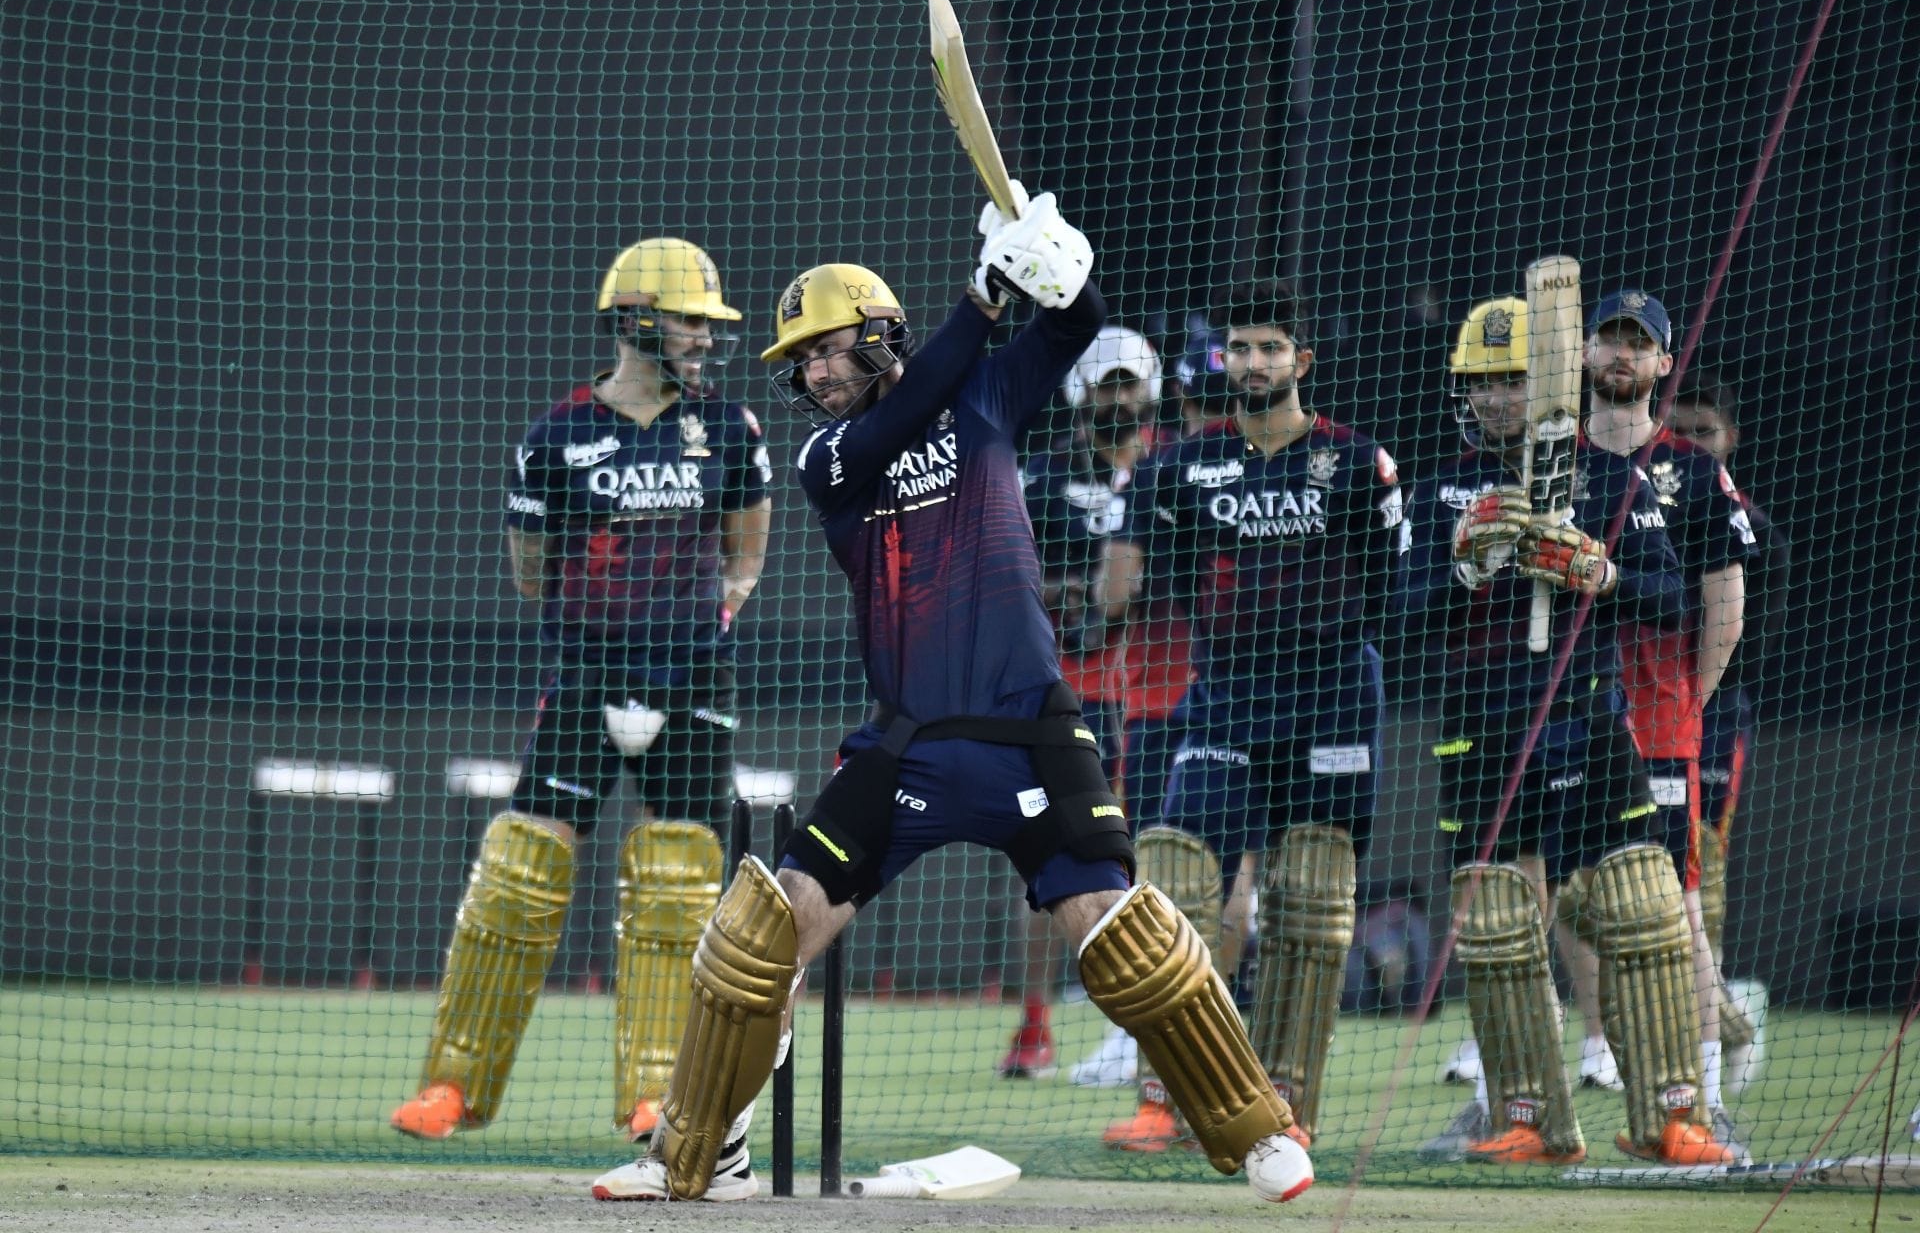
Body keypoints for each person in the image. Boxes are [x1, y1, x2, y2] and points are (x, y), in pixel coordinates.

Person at [589, 187, 1313, 1204]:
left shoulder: (984, 397)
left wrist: (1048, 256)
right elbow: (919, 397)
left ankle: (1254, 1128)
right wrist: (982, 292)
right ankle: (703, 1151)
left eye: (824, 351)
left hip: (1033, 729)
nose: (809, 374)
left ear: (879, 335)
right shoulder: (828, 458)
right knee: (765, 931)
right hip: (908, 744)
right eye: (798, 362)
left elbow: (1079, 325)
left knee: (1121, 926)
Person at [389, 239, 772, 1144]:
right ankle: (454, 1088)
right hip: (585, 675)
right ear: (637, 318)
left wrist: (698, 614)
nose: (704, 340)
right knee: (522, 866)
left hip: (692, 678)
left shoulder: (732, 428)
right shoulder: (555, 436)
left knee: (679, 882)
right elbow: (530, 574)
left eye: (707, 325)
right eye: (689, 320)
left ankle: (660, 1099)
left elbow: (746, 551)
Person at [1399, 295, 1734, 1168]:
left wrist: (1601, 569)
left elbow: (1669, 597)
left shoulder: (1614, 478)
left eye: (1512, 381)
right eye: (1480, 383)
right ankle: (1526, 1116)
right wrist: (1463, 570)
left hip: (1589, 715)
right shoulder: (1442, 487)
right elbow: (1396, 618)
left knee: (1645, 910)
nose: (1495, 400)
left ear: (1545, 380)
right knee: (1500, 922)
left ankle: (1674, 1114)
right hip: (1479, 727)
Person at [1092, 280, 1402, 1151]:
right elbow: (1119, 595)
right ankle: (1168, 1095)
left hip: (1334, 694)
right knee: (1171, 882)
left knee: (1308, 902)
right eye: (1240, 346)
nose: (1255, 361)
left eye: (1272, 347)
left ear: (1302, 361)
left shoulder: (1358, 460)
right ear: (1221, 360)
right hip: (1225, 694)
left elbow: (1392, 596)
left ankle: (1285, 1105)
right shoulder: (1178, 467)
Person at [1579, 291, 1758, 1160]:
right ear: (1581, 353)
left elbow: (1725, 599)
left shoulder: (1691, 468)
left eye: (1637, 345)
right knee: (1559, 903)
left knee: (1676, 904)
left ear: (1661, 365)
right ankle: (1584, 1069)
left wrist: (1687, 703)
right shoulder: (1546, 461)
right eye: (1608, 339)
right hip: (1553, 720)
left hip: (1655, 723)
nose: (1621, 355)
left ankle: (1709, 1095)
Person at [998, 324, 1173, 1079]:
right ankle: (1035, 1023)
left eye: (1131, 384)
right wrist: (1071, 595)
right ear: (1079, 392)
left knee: (1153, 859)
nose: (1120, 398)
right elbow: (1008, 579)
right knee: (1046, 859)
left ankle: (1141, 1022)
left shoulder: (1178, 466)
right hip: (1065, 695)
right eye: (1107, 385)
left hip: (1164, 690)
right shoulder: (1038, 476)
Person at [1664, 371, 1788, 1067]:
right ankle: (1723, 1025)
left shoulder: (1758, 534)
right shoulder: (1632, 506)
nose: (1690, 444)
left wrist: (1696, 698)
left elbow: (1748, 639)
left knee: (1698, 875)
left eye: (1703, 432)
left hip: (1711, 715)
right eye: (1678, 430)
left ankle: (1711, 1042)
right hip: (1634, 708)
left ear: (1730, 439)